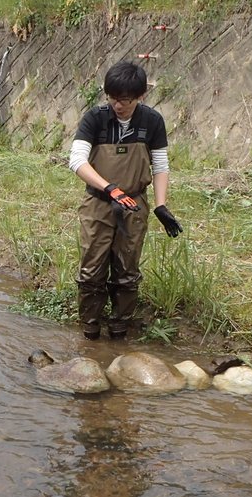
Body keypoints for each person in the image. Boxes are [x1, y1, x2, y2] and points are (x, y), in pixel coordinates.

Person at [69, 60, 183, 341]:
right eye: (113, 99)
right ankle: (90, 333)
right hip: (98, 203)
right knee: (91, 270)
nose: (118, 105)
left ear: (141, 96)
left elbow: (160, 164)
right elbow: (76, 160)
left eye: (126, 100)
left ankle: (119, 331)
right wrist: (109, 188)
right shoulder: (94, 118)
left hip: (133, 204)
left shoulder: (152, 121)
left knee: (127, 270)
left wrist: (160, 204)